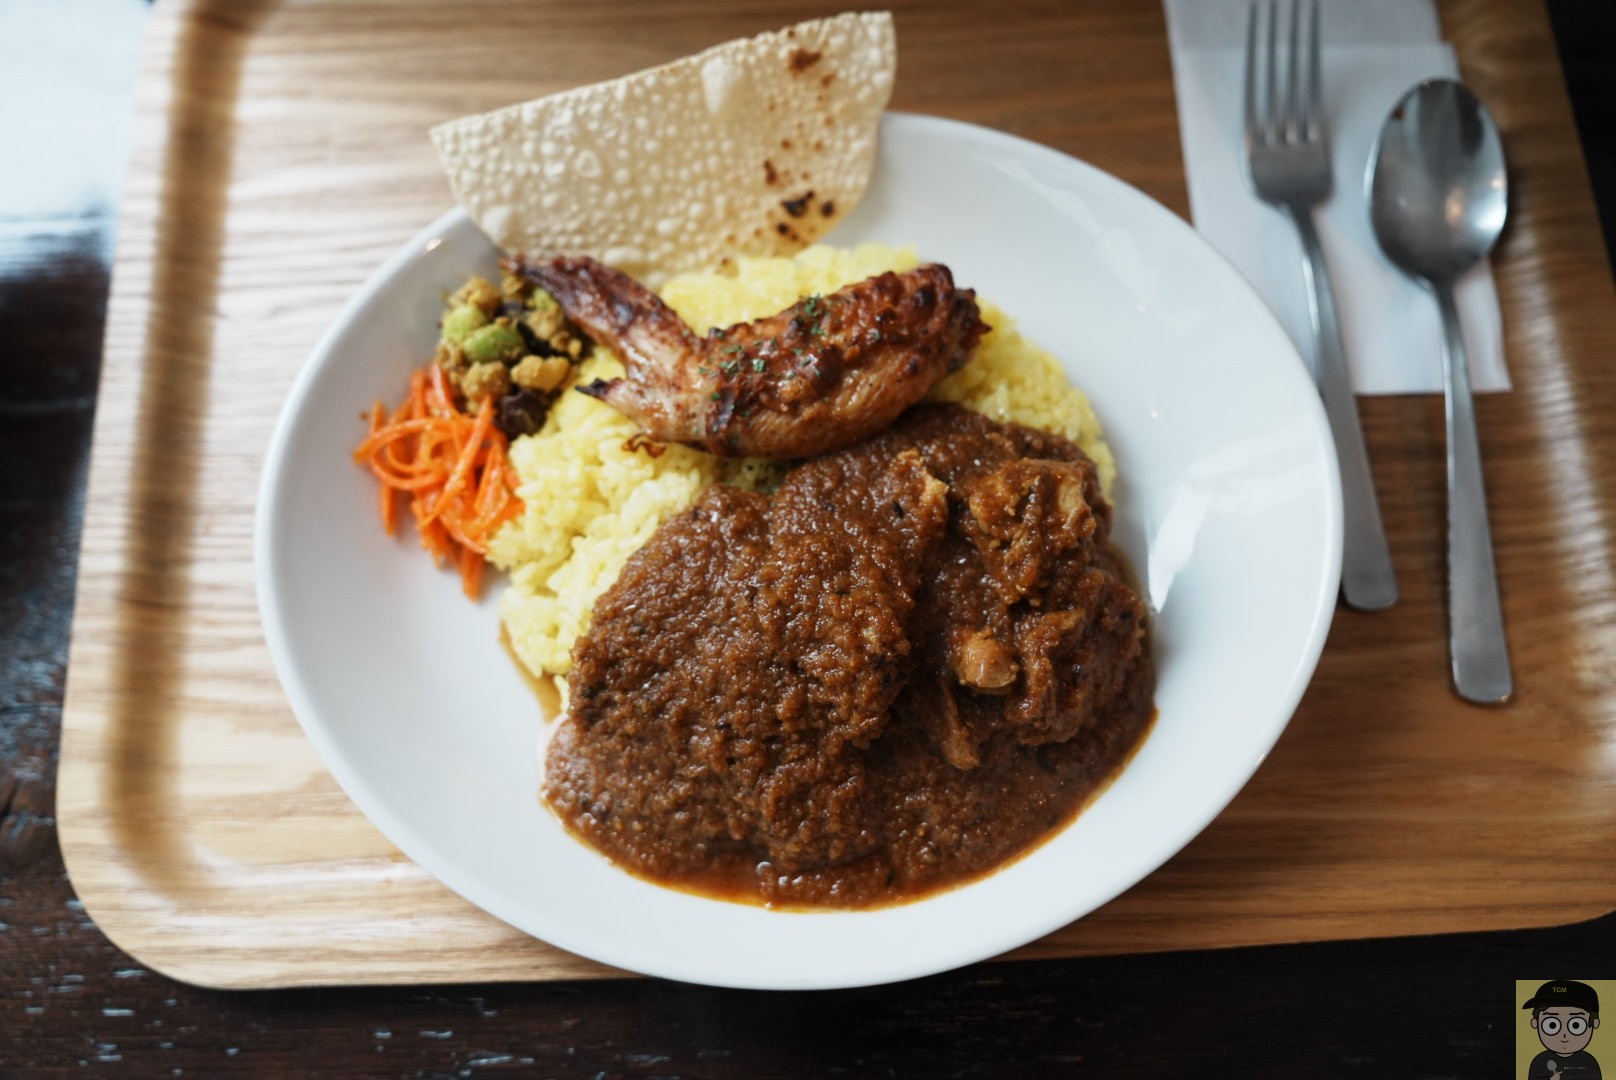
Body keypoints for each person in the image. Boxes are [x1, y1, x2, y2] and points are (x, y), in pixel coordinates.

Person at [1524, 980, 1602, 1080]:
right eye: (1552, 1025)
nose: (1564, 1036)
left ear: (1595, 1023)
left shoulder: (1589, 1062)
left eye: (1576, 1025)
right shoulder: (1539, 1062)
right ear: (1535, 1023)